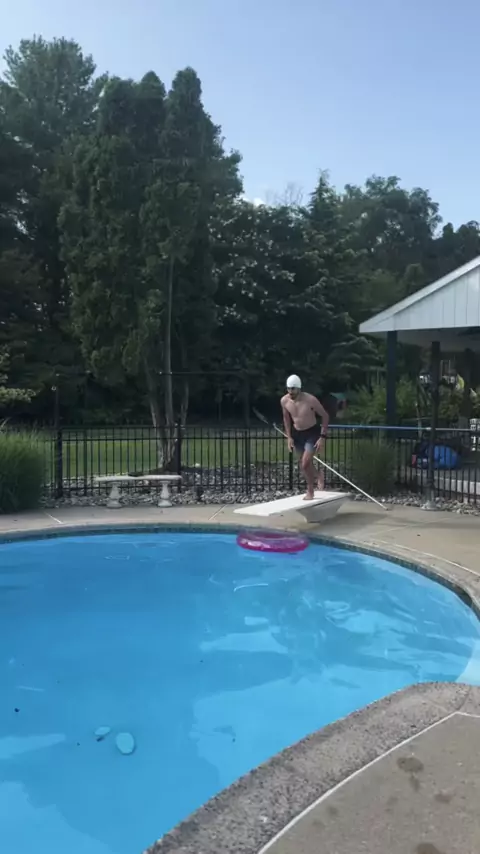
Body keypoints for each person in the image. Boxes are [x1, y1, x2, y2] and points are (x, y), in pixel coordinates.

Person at [280, 374, 329, 500]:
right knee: (303, 464)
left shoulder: (310, 400)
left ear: (299, 388)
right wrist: (289, 437)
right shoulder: (284, 401)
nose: (290, 392)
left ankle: (310, 491)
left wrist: (322, 437)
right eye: (288, 388)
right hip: (297, 433)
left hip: (312, 433)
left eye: (293, 389)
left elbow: (325, 416)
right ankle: (318, 475)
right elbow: (286, 419)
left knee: (306, 462)